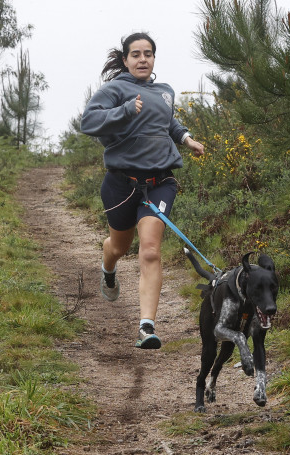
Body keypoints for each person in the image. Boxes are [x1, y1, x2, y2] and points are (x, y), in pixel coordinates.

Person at [80, 32, 205, 350]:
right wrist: (124, 111)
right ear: (125, 60)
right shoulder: (115, 90)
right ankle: (108, 268)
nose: (142, 59)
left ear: (154, 58)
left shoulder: (165, 92)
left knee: (150, 249)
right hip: (121, 184)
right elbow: (89, 121)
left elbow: (166, 122)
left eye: (148, 53)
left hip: (159, 183)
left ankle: (146, 327)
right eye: (135, 54)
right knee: (119, 247)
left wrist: (187, 138)